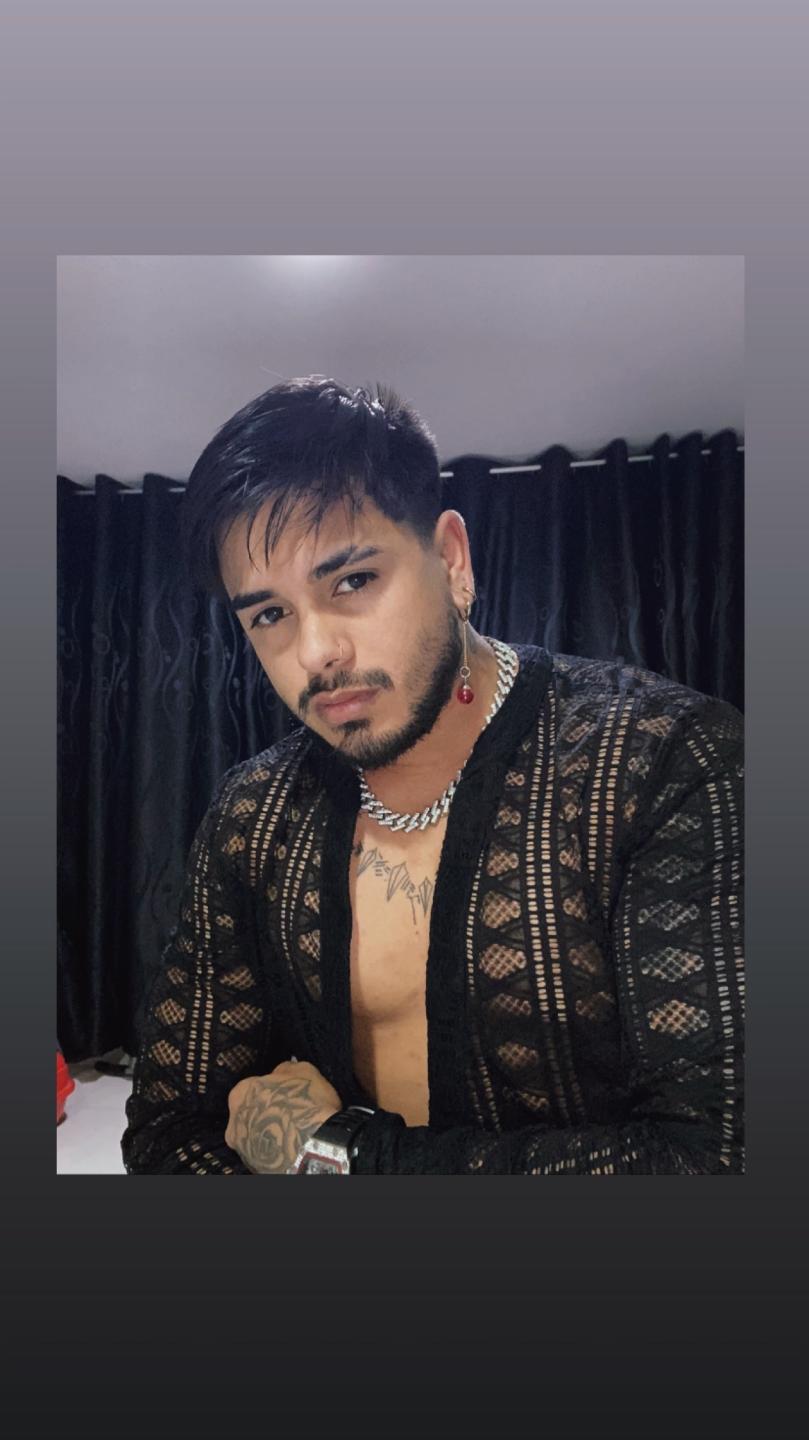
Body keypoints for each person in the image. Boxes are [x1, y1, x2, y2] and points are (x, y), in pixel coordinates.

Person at [121, 375, 744, 1175]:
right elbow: (167, 1130)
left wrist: (341, 1155)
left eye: (352, 581)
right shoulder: (255, 812)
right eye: (270, 614)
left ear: (451, 560)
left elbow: (718, 1156)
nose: (315, 652)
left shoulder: (661, 762)